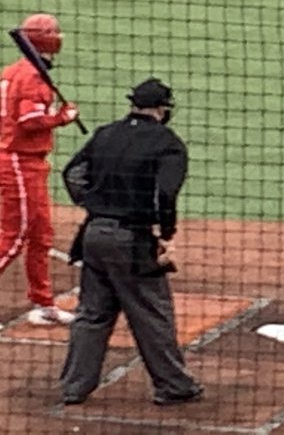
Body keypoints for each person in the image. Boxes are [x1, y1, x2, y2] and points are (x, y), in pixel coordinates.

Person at [59, 78, 203, 407]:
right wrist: (165, 234)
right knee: (152, 312)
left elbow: (73, 174)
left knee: (92, 314)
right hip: (133, 241)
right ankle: (173, 385)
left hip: (93, 235)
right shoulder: (167, 143)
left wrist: (96, 205)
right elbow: (166, 193)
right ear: (163, 109)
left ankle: (74, 387)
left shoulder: (106, 133)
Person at [0, 13, 80, 325]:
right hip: (19, 163)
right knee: (14, 235)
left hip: (27, 163)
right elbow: (28, 121)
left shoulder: (14, 70)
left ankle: (43, 303)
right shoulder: (33, 77)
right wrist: (63, 117)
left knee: (41, 235)